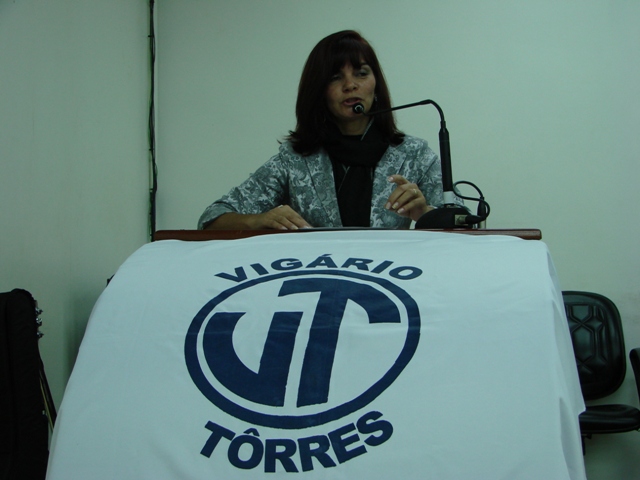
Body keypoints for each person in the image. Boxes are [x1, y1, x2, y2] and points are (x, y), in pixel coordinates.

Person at [198, 30, 454, 231]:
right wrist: (259, 220)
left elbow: (461, 221)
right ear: (319, 91)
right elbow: (212, 218)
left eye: (361, 73)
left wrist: (424, 214)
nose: (350, 85)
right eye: (335, 77)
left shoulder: (413, 154)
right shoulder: (295, 159)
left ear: (376, 85)